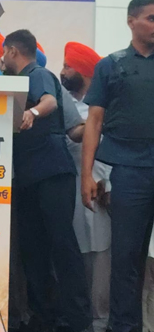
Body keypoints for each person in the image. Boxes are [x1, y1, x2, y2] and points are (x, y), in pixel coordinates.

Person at [2, 29, 91, 332]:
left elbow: (50, 101)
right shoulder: (14, 82)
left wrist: (33, 112)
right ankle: (43, 315)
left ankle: (77, 318)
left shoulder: (36, 74)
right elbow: (73, 129)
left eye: (4, 53)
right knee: (33, 248)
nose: (2, 59)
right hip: (28, 175)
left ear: (13, 51)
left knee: (61, 243)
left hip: (50, 171)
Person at [81, 0, 154, 332]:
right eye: (151, 18)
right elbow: (94, 122)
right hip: (128, 171)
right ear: (131, 21)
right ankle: (125, 326)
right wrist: (86, 175)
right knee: (126, 258)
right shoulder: (110, 65)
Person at [60, 41, 111, 332]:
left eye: (68, 66)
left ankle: (102, 320)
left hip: (104, 191)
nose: (63, 72)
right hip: (72, 191)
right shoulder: (67, 109)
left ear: (84, 71)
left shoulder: (107, 109)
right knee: (78, 255)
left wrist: (107, 183)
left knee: (103, 255)